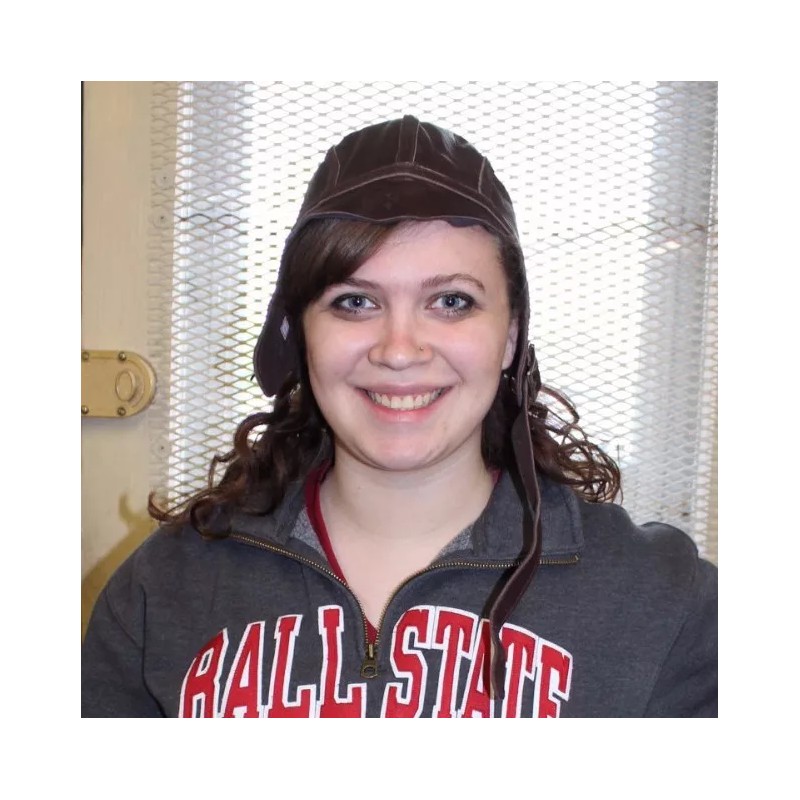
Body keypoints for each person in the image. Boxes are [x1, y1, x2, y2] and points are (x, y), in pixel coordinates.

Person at [81, 115, 717, 717]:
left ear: (511, 336)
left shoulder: (671, 605)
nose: (399, 350)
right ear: (300, 334)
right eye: (355, 302)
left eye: (451, 301)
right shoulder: (163, 588)